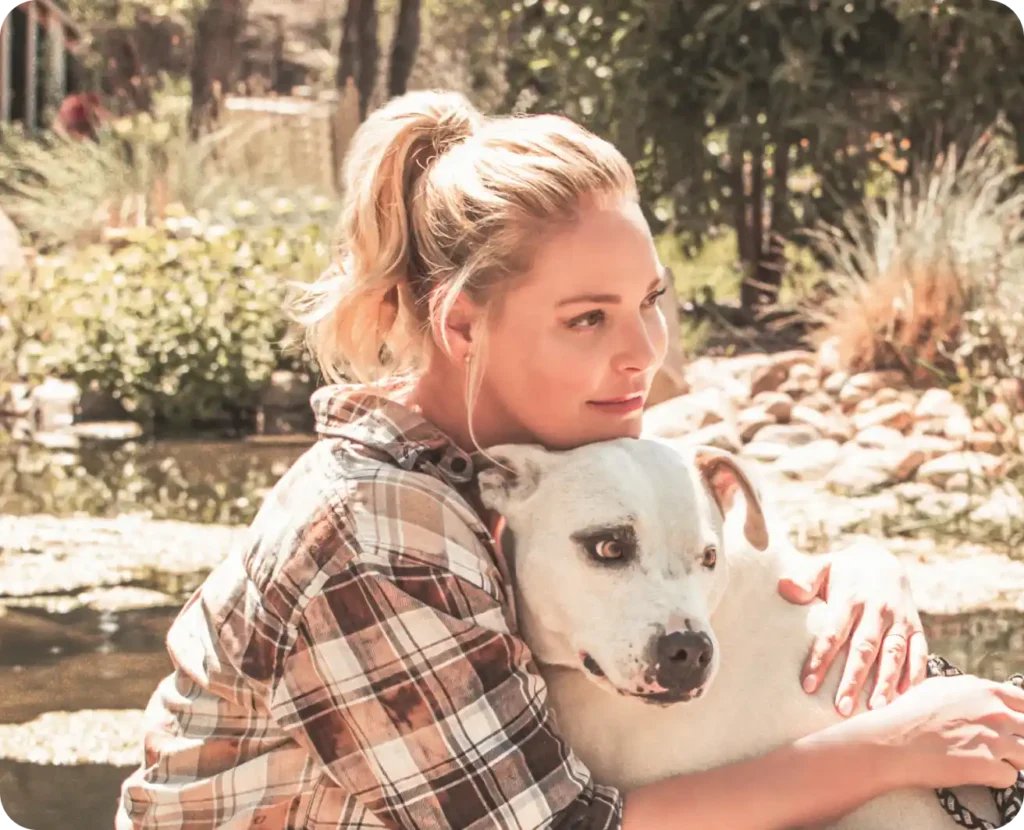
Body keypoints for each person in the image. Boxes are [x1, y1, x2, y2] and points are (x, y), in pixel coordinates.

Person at [115, 90, 1024, 830]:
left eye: (650, 302)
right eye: (588, 318)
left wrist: (859, 573)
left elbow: (705, 575)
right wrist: (894, 749)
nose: (644, 355)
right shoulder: (378, 529)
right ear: (462, 326)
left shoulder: (504, 468)